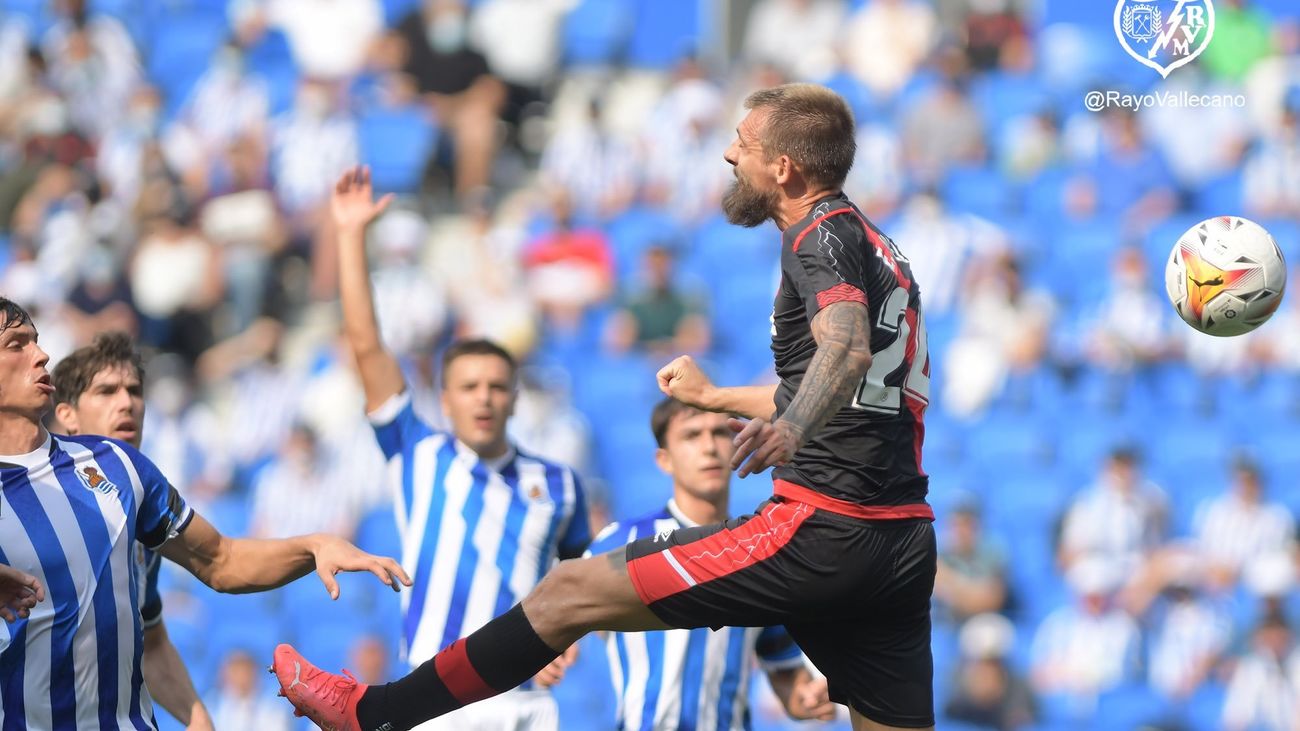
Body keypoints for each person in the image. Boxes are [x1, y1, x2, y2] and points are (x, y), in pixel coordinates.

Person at [274, 83, 936, 731]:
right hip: (901, 540)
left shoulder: (816, 235)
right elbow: (855, 385)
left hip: (825, 526)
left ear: (783, 167)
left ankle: (371, 713)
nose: (731, 155)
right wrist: (717, 397)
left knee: (567, 593)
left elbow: (844, 346)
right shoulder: (883, 251)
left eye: (743, 143)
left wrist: (791, 426)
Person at [0, 297, 410, 731]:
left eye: (37, 342)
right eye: (17, 344)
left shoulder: (118, 466)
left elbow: (220, 560)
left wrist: (313, 545)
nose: (41, 354)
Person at [321, 165, 592, 730]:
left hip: (525, 701)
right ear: (444, 399)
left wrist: (569, 634)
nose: (484, 399)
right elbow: (368, 346)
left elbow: (584, 579)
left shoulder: (560, 484)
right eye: (469, 387)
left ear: (516, 398)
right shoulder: (416, 454)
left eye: (497, 386)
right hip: (435, 701)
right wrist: (350, 237)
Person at [585, 397, 835, 729]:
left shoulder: (765, 553)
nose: (709, 447)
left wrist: (806, 698)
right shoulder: (622, 543)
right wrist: (554, 655)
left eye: (719, 433)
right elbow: (565, 617)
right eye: (691, 435)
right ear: (664, 459)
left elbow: (784, 671)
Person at [49, 332, 216, 729]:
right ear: (66, 414)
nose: (127, 402)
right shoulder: (30, 497)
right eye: (107, 391)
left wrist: (197, 719)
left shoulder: (142, 505)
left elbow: (153, 642)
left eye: (134, 390)